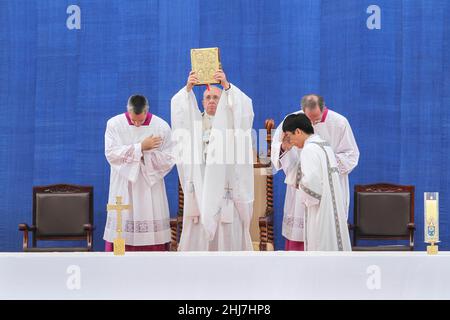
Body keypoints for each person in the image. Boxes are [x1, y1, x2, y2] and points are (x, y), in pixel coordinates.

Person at [171, 69, 254, 251]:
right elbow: (180, 112)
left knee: (226, 227)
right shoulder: (194, 124)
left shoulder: (232, 124)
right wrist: (188, 89)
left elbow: (245, 110)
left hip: (225, 183)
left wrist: (226, 85)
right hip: (201, 185)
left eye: (216, 98)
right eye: (207, 98)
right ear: (201, 102)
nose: (211, 101)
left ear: (224, 100)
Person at [272, 94, 359, 250]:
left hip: (315, 191)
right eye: (308, 119)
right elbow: (281, 145)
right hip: (308, 190)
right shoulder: (293, 121)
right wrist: (285, 148)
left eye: (316, 120)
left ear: (323, 108)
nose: (311, 124)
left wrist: (323, 169)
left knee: (318, 236)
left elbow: (351, 156)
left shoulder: (339, 123)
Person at [103, 95, 175, 251]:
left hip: (149, 186)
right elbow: (111, 153)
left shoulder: (161, 126)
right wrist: (140, 147)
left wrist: (144, 154)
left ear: (146, 111)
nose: (136, 124)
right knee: (123, 225)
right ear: (128, 111)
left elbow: (169, 158)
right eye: (133, 120)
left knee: (151, 220)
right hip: (123, 184)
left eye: (140, 121)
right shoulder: (114, 124)